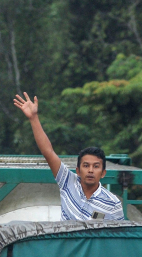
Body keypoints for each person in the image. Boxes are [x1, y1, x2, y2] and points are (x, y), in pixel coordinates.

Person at [13, 92, 124, 221]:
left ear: (103, 173)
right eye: (86, 165)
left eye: (96, 166)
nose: (90, 170)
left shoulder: (113, 204)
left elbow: (118, 238)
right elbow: (48, 152)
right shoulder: (68, 182)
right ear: (78, 170)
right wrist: (33, 118)